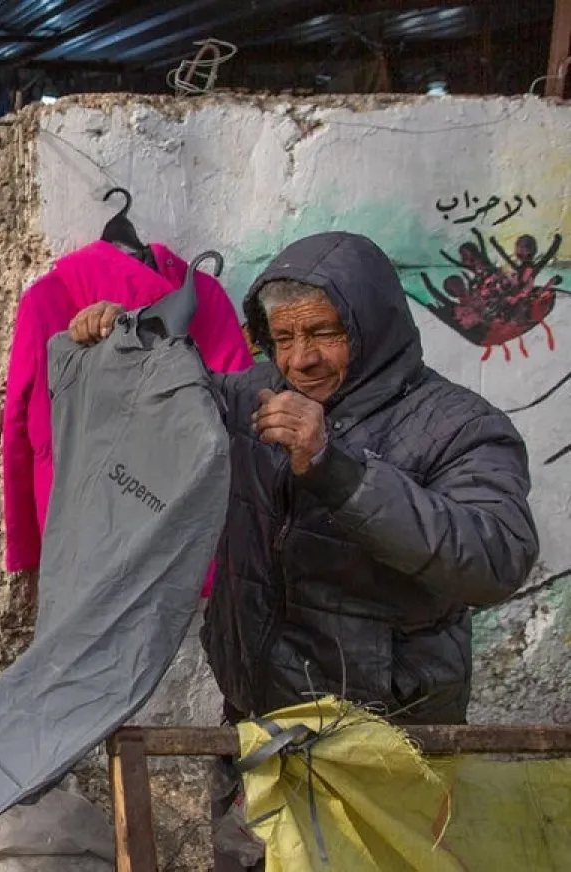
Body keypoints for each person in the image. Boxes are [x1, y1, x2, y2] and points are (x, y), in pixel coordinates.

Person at [69, 231, 539, 864]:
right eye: (284, 338)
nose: (302, 359)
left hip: (384, 741)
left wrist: (335, 468)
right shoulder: (249, 397)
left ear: (373, 325)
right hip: (256, 725)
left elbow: (495, 560)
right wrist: (119, 344)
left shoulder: (460, 428)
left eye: (323, 333)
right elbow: (167, 408)